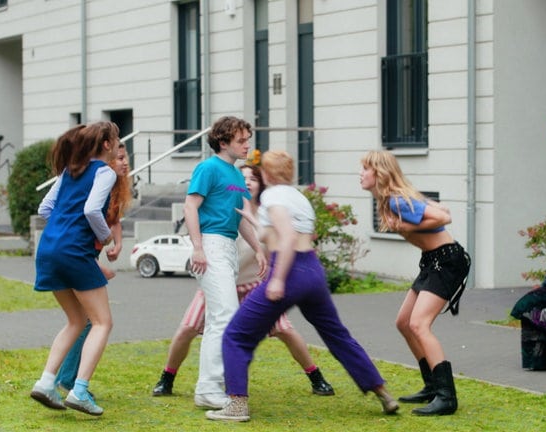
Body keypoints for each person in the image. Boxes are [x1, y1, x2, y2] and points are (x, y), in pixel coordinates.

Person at [206, 150, 398, 422]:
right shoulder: (298, 197)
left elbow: (284, 239)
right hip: (313, 272)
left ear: (268, 174)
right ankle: (382, 393)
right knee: (337, 335)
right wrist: (251, 214)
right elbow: (273, 232)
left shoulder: (273, 196)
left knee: (236, 335)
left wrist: (277, 280)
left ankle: (237, 405)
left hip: (289, 270)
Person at [152, 164, 334, 398]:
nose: (247, 182)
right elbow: (198, 219)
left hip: (253, 287)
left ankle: (316, 377)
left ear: (261, 183)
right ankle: (167, 378)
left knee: (285, 330)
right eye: (243, 178)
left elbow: (279, 249)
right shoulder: (226, 209)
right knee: (187, 328)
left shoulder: (270, 213)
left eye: (253, 178)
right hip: (218, 286)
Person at [358, 150, 470, 416]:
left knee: (419, 324)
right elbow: (439, 210)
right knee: (404, 322)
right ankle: (432, 386)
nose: (360, 174)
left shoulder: (396, 200)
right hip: (432, 260)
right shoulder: (389, 201)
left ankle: (446, 397)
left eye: (365, 169)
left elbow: (444, 217)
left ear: (379, 172)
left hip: (447, 260)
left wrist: (409, 228)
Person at [29, 121, 120, 416]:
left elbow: (44, 209)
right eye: (117, 140)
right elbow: (92, 210)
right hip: (74, 251)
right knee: (103, 322)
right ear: (107, 144)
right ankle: (79, 390)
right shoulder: (105, 172)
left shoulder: (70, 170)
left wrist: (64, 223)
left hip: (48, 249)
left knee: (76, 321)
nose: (119, 145)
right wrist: (105, 237)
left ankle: (46, 382)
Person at [183, 116, 267, 409]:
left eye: (247, 139)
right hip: (210, 244)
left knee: (220, 316)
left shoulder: (234, 174)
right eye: (241, 140)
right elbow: (190, 205)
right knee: (226, 315)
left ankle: (209, 386)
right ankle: (209, 387)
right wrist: (198, 247)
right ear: (223, 142)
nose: (247, 145)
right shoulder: (208, 168)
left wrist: (257, 248)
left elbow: (240, 217)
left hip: (227, 247)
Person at [55, 142, 133, 395]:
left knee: (85, 320)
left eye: (126, 158)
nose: (124, 163)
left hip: (81, 255)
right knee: (91, 321)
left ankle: (60, 380)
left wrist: (118, 243)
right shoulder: (98, 183)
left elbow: (114, 220)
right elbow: (85, 222)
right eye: (119, 158)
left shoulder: (116, 189)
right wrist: (98, 266)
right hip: (77, 255)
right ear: (106, 160)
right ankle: (68, 381)